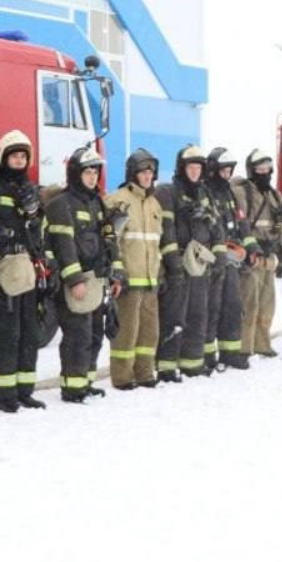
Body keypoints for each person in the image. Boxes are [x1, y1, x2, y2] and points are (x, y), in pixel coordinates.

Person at [0, 131, 49, 411]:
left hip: (27, 270)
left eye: (23, 156)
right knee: (5, 335)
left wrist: (33, 215)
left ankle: (25, 390)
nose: (19, 161)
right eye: (14, 156)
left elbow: (40, 235)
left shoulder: (32, 191)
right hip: (2, 271)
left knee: (29, 333)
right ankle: (5, 394)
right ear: (2, 158)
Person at [44, 147, 122, 402]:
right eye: (87, 172)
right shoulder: (61, 204)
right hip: (76, 282)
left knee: (95, 335)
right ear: (76, 174)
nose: (92, 177)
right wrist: (74, 280)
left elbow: (109, 238)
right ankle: (72, 388)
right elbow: (63, 246)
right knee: (78, 336)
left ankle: (86, 383)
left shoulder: (97, 203)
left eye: (95, 172)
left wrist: (115, 274)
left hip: (97, 279)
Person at [106, 148, 171, 389]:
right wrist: (116, 272)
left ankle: (144, 373)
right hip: (128, 280)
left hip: (150, 280)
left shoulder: (154, 204)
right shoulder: (117, 200)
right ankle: (122, 377)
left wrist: (160, 272)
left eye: (150, 173)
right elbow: (110, 240)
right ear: (133, 173)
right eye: (143, 172)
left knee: (149, 333)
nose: (147, 176)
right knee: (126, 332)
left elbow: (156, 242)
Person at [154, 145, 217, 381]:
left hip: (199, 265)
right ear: (182, 168)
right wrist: (174, 265)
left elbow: (216, 227)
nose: (195, 172)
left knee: (197, 315)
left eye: (198, 168)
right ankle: (167, 368)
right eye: (191, 167)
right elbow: (167, 231)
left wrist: (218, 257)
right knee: (173, 318)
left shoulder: (204, 194)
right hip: (179, 265)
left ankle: (193, 364)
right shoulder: (168, 193)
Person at [232, 150, 282, 359]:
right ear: (251, 170)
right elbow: (242, 223)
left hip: (269, 258)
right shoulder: (243, 192)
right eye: (259, 169)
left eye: (267, 169)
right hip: (252, 258)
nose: (264, 173)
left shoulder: (274, 195)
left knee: (267, 305)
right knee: (249, 304)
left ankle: (262, 344)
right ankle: (244, 347)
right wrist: (251, 248)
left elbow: (281, 227)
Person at [203, 147, 247, 371]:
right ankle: (207, 355)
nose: (227, 174)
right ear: (213, 170)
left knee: (232, 306)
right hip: (212, 261)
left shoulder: (229, 194)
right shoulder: (205, 192)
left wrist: (249, 248)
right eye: (223, 170)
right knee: (212, 308)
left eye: (229, 170)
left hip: (231, 260)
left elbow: (241, 223)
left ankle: (230, 353)